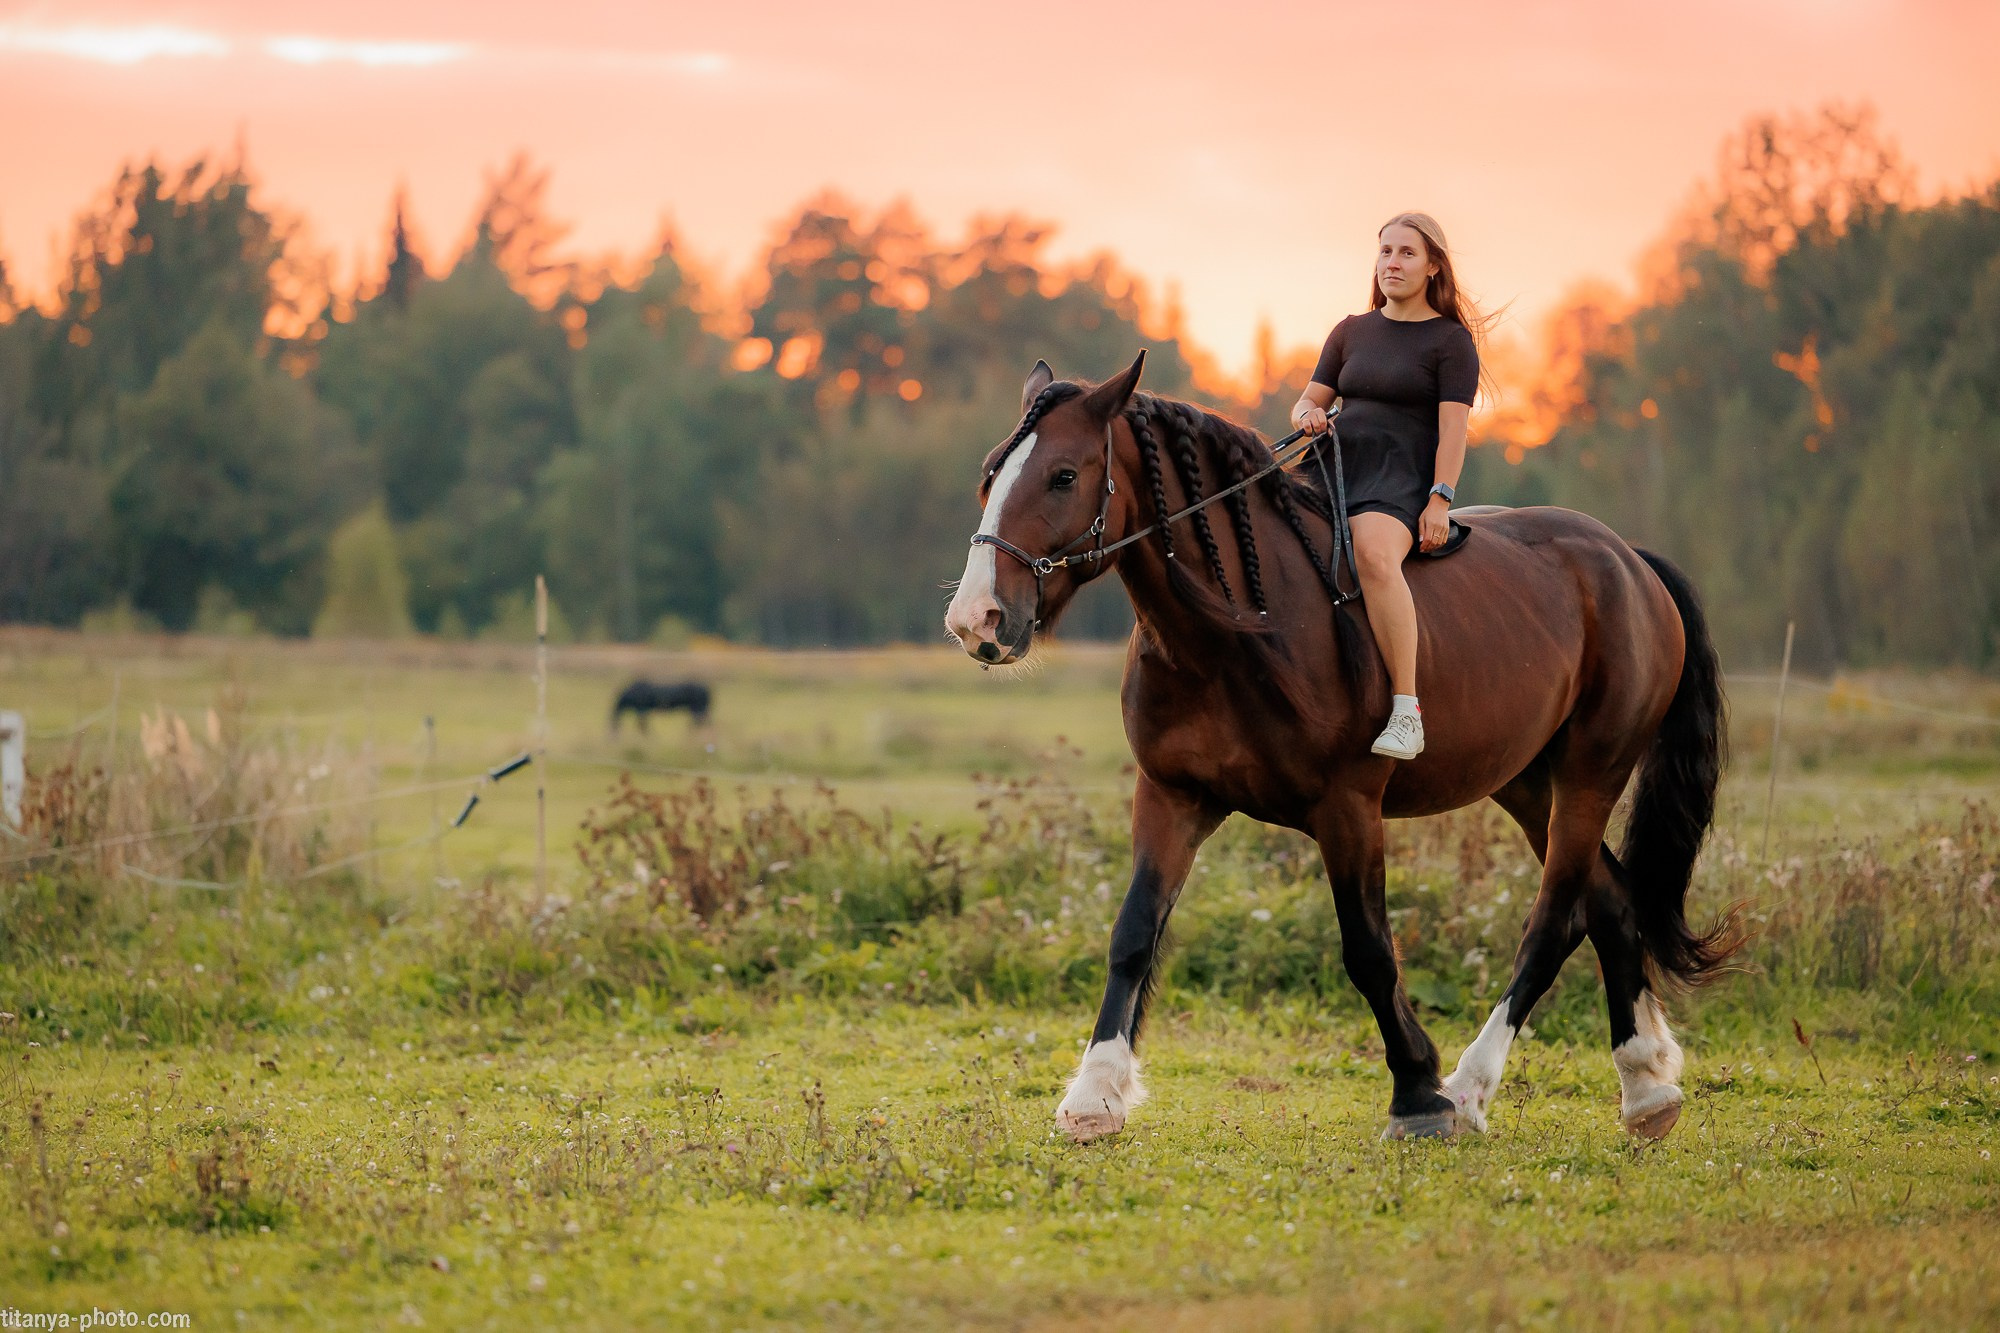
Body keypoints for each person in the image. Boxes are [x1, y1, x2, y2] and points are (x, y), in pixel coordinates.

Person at [1290, 211, 1484, 761]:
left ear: (1432, 267)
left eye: (1406, 253)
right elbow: (1309, 399)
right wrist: (1307, 414)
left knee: (1374, 555)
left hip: (1398, 477)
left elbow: (1453, 433)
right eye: (1385, 252)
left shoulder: (1450, 343)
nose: (1391, 263)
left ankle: (1405, 709)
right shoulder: (1351, 330)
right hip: (1332, 465)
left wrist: (1439, 499)